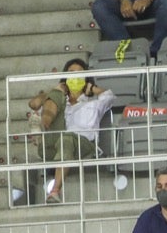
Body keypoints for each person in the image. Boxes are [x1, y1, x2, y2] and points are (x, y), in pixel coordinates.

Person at [27, 57, 115, 205]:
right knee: (54, 101)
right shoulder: (59, 100)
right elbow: (33, 103)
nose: (75, 76)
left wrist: (91, 88)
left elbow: (110, 96)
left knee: (66, 138)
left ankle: (54, 191)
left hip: (84, 145)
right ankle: (38, 126)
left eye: (79, 73)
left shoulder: (94, 103)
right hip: (54, 145)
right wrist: (55, 90)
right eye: (71, 73)